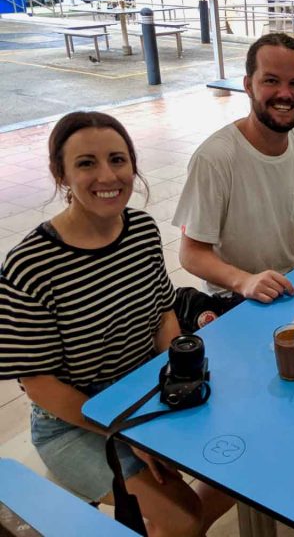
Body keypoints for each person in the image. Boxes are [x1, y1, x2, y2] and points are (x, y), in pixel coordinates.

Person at [0, 112, 234, 537]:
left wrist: (178, 385)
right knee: (184, 517)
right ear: (61, 173)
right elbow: (39, 385)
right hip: (74, 423)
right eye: (86, 163)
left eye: (118, 160)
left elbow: (164, 315)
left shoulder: (142, 230)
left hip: (145, 395)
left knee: (244, 461)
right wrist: (124, 431)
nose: (107, 175)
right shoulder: (30, 265)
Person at [173, 33, 294, 304]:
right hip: (235, 296)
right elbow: (190, 253)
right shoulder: (215, 158)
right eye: (271, 81)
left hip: (291, 280)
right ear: (249, 85)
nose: (285, 94)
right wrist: (245, 281)